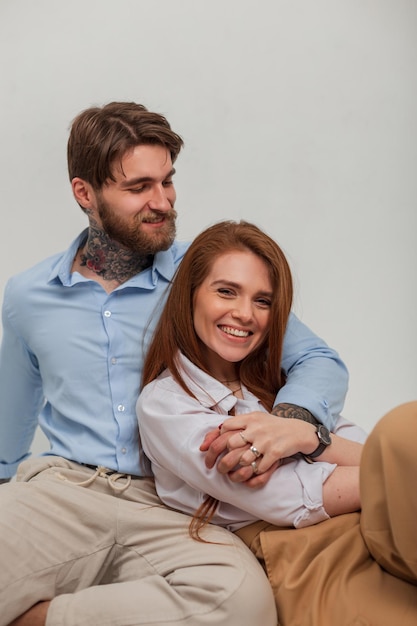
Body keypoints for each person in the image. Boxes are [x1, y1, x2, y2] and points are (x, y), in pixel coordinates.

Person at [0, 102, 347, 626]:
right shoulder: (27, 295)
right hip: (63, 490)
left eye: (168, 181)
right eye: (139, 187)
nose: (162, 201)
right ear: (85, 194)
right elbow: (11, 419)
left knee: (241, 601)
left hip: (176, 499)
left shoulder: (207, 277)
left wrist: (290, 424)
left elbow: (317, 359)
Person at [137, 219, 417, 626]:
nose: (244, 314)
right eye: (226, 291)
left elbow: (365, 446)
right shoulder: (165, 404)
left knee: (404, 431)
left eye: (263, 301)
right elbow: (288, 497)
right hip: (309, 557)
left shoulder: (284, 385)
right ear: (189, 296)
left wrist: (307, 436)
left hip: (375, 523)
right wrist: (394, 473)